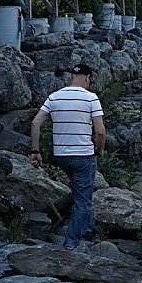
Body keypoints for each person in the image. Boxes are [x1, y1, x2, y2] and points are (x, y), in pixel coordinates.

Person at [29, 64, 105, 249]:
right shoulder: (90, 98)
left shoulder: (54, 97)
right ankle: (71, 243)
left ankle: (87, 227)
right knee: (83, 200)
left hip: (61, 155)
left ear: (72, 77)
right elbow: (100, 131)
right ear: (88, 78)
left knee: (79, 192)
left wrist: (35, 151)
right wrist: (100, 150)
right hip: (83, 156)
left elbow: (35, 123)